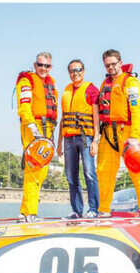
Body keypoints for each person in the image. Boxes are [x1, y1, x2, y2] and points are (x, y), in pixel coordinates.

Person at [97, 49, 140, 218]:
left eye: (114, 64)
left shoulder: (130, 82)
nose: (111, 67)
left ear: (120, 63)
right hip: (107, 132)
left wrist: (135, 136)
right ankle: (103, 210)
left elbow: (137, 110)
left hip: (126, 132)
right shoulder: (104, 83)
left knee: (137, 170)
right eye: (107, 65)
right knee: (104, 171)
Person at [15, 52, 58, 222]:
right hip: (33, 127)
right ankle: (29, 212)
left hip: (48, 129)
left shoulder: (51, 83)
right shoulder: (27, 81)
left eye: (47, 66)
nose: (43, 68)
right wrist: (32, 126)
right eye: (41, 65)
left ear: (51, 67)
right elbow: (24, 106)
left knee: (42, 172)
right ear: (35, 65)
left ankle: (26, 211)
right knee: (33, 168)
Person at [57, 59, 100, 219]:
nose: (75, 73)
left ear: (84, 71)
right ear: (69, 73)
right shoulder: (66, 90)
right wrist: (59, 142)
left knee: (89, 173)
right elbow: (63, 118)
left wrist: (96, 140)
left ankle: (93, 209)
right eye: (72, 70)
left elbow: (96, 117)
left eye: (78, 70)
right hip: (68, 139)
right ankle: (76, 211)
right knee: (70, 176)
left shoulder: (91, 89)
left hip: (85, 138)